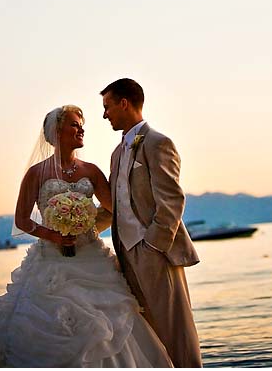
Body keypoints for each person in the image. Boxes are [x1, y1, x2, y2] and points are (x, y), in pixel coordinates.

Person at [0, 105, 172, 368]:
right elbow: (21, 221)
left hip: (92, 258)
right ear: (56, 132)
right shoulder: (36, 173)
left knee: (112, 320)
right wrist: (54, 235)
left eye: (81, 124)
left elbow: (114, 208)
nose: (81, 129)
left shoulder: (91, 171)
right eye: (74, 124)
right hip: (51, 263)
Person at [101, 78, 202, 368]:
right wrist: (76, 233)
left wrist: (152, 246)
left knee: (175, 330)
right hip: (124, 254)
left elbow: (171, 200)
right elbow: (115, 206)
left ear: (124, 103)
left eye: (107, 106)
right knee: (148, 334)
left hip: (154, 251)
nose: (104, 114)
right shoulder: (117, 154)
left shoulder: (158, 143)